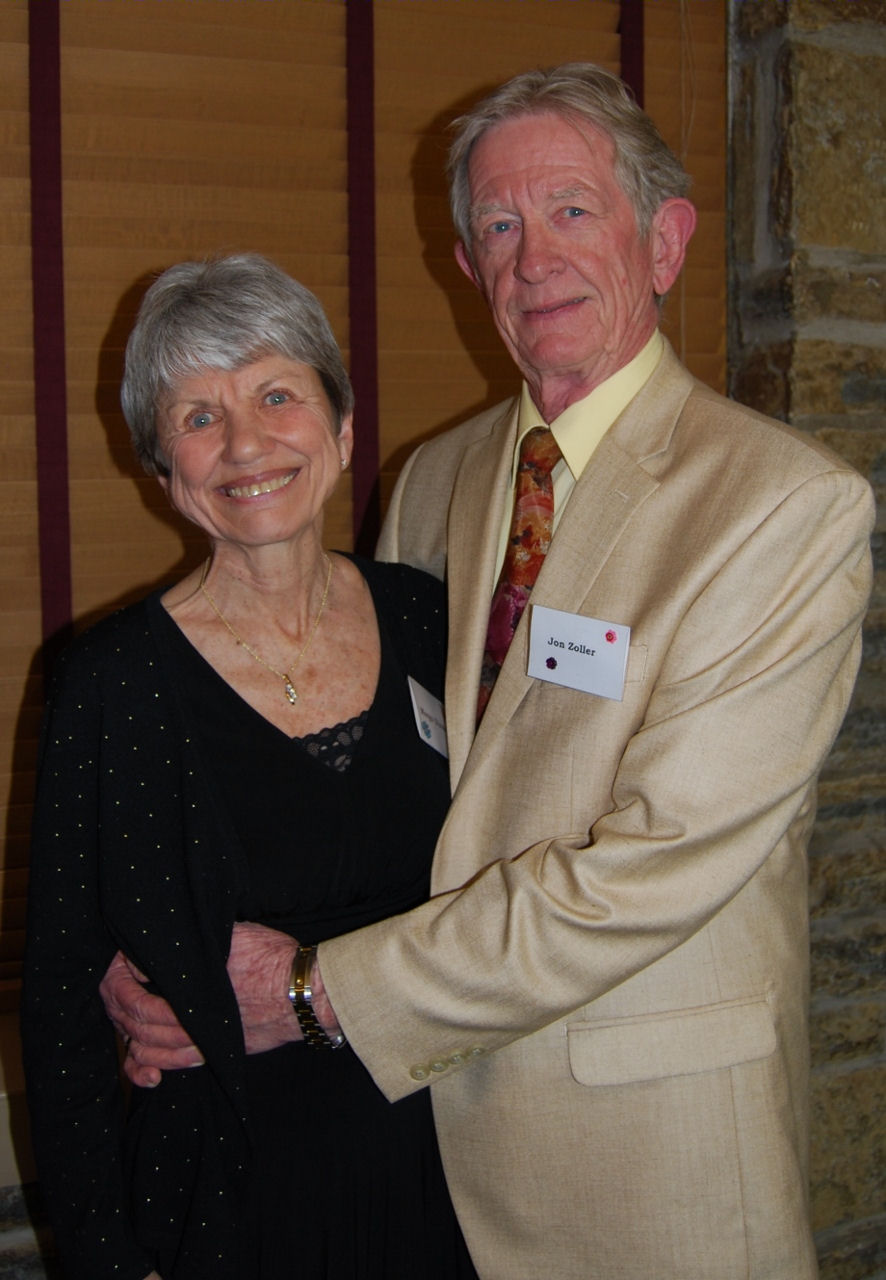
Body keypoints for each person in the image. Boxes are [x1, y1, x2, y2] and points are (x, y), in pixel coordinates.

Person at [103, 66, 875, 1278]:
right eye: (500, 227)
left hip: (643, 1162)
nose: (533, 259)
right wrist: (164, 951)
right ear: (467, 268)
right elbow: (348, 775)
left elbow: (652, 865)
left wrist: (311, 993)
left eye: (571, 210)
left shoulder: (778, 506)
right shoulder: (435, 480)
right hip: (418, 1153)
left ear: (664, 240)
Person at [21, 253, 479, 1280]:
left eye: (278, 395)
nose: (244, 444)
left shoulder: (430, 619)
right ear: (163, 471)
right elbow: (61, 1012)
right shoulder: (110, 683)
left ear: (342, 427)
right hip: (228, 1198)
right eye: (198, 416)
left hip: (454, 1168)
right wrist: (108, 1261)